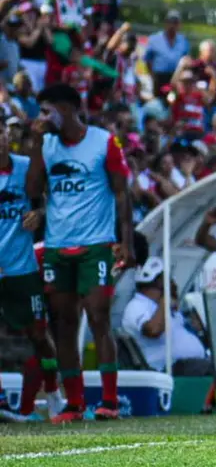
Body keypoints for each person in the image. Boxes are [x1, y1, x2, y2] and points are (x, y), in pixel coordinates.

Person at [27, 84, 134, 423]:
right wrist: (34, 145)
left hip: (96, 245)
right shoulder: (46, 144)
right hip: (58, 247)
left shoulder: (103, 142)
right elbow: (32, 190)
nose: (44, 118)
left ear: (68, 108)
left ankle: (110, 401)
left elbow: (121, 193)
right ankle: (74, 404)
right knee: (64, 324)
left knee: (99, 317)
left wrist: (126, 240)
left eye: (49, 111)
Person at [0, 124, 61, 423]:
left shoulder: (26, 168)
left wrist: (41, 214)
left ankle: (53, 396)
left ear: (7, 136)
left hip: (22, 268)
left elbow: (56, 202)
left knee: (39, 335)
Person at [121, 258, 211, 374]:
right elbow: (153, 330)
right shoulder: (136, 306)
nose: (172, 281)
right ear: (159, 281)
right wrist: (165, 299)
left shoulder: (159, 305)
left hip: (189, 363)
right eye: (167, 278)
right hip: (167, 367)